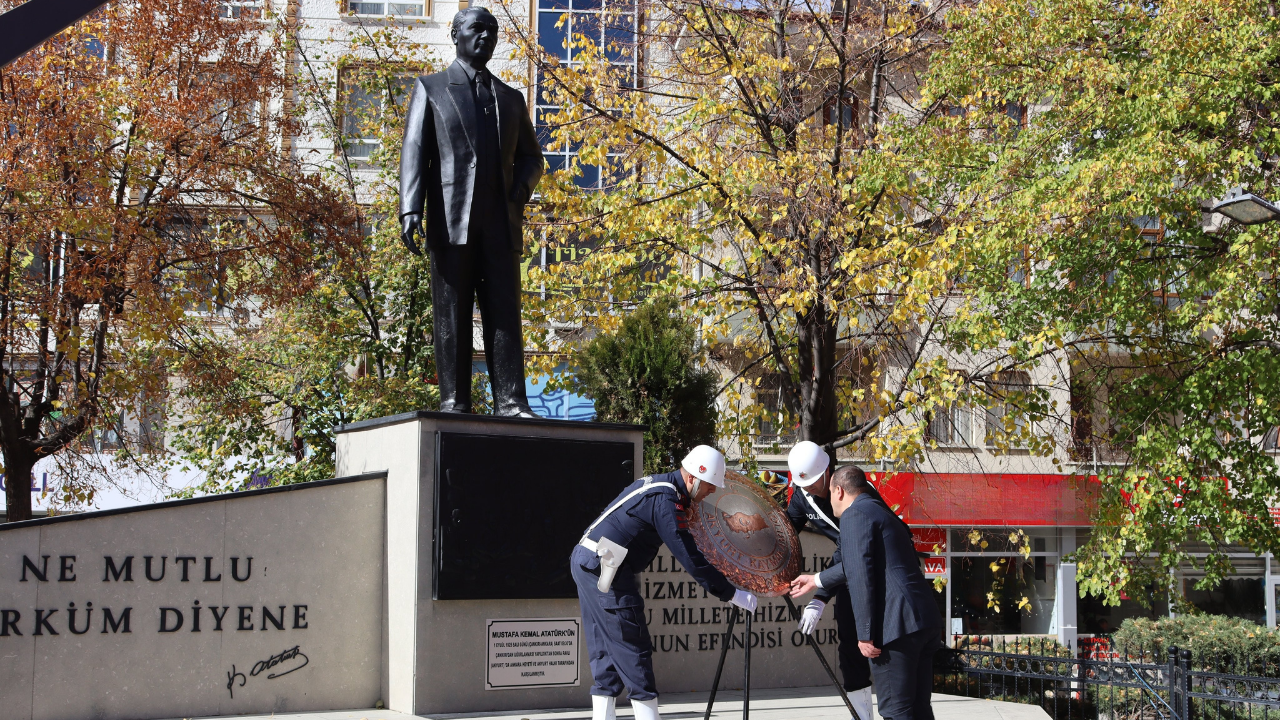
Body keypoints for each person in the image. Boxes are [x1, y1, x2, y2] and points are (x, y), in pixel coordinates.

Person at [398, 7, 544, 417]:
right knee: (452, 315)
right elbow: (414, 150)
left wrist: (519, 190)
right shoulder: (431, 89)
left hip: (500, 223)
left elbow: (534, 158)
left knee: (504, 313)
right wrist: (410, 208)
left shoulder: (511, 99)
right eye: (477, 28)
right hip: (450, 219)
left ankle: (512, 402)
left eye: (492, 30)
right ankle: (454, 401)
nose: (486, 36)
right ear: (455, 34)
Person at [572, 445, 758, 720]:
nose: (712, 492)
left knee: (606, 647)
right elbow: (690, 557)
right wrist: (732, 594)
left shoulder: (657, 485)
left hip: (589, 560)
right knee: (632, 643)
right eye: (709, 485)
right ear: (694, 477)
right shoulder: (665, 499)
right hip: (605, 566)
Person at [791, 466, 943, 720]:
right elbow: (860, 564)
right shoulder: (880, 511)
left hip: (896, 628)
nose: (829, 500)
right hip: (923, 621)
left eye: (829, 493)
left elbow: (860, 575)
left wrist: (864, 634)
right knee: (919, 709)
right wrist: (817, 580)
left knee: (896, 712)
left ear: (838, 491)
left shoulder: (854, 515)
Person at [784, 442, 873, 720]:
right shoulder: (802, 497)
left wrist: (820, 596)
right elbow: (786, 533)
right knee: (849, 646)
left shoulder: (858, 494)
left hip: (872, 570)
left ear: (827, 471)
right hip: (845, 574)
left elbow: (849, 549)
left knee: (876, 643)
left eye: (812, 482)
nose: (808, 489)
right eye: (803, 484)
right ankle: (862, 715)